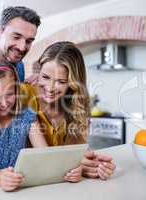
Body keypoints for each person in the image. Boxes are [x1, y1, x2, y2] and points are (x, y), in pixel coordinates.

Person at [0, 60, 83, 192]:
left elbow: (45, 154)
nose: (3, 103)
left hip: (24, 188)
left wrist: (70, 171)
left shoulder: (27, 117)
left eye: (9, 94)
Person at [21, 41, 116, 180]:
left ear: (73, 84)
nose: (50, 87)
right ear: (39, 72)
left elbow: (75, 155)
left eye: (61, 81)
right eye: (45, 77)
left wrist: (94, 166)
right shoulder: (25, 96)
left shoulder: (77, 107)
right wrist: (75, 164)